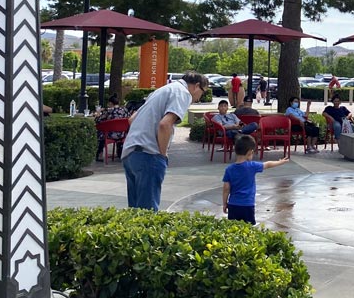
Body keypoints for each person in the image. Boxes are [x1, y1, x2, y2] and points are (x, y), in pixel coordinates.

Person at [122, 71, 208, 210]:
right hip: (149, 155)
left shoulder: (161, 90)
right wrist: (162, 155)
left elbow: (132, 119)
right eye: (202, 93)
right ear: (196, 86)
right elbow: (165, 124)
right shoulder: (183, 93)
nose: (198, 98)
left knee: (135, 214)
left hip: (130, 153)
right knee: (147, 215)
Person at [222, 135, 290, 224]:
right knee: (248, 230)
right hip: (247, 205)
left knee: (234, 229)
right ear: (250, 152)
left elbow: (226, 188)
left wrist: (224, 203)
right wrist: (280, 162)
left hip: (233, 204)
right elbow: (268, 164)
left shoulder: (229, 169)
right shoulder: (252, 166)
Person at [95, 93, 131, 159]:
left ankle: (100, 153)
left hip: (110, 134)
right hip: (122, 134)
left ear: (110, 103)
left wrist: (98, 114)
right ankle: (120, 152)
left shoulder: (109, 111)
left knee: (100, 132)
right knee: (118, 130)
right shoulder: (125, 110)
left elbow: (98, 121)